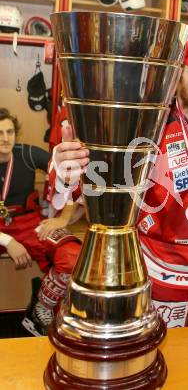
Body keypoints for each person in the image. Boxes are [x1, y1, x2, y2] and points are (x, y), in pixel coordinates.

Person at [52, 27, 188, 328]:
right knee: (165, 362)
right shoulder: (146, 122)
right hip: (162, 272)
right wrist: (66, 170)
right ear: (176, 73)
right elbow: (90, 193)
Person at [0, 108, 82, 336]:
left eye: (9, 132)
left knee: (74, 257)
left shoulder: (26, 154)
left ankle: (41, 308)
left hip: (29, 226)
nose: (5, 138)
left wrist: (63, 218)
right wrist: (8, 241)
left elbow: (70, 174)